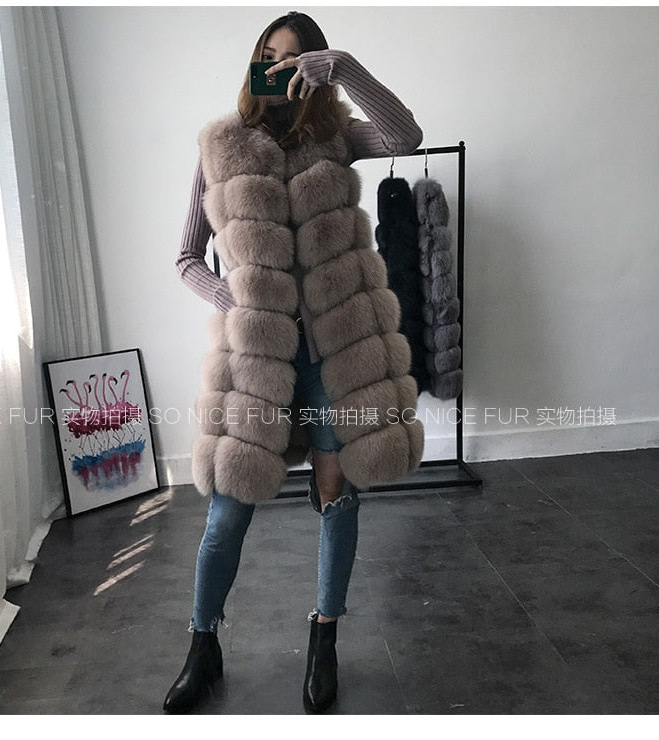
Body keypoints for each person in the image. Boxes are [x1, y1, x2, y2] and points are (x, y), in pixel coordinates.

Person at [165, 11, 424, 714]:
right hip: (255, 359)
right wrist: (234, 298)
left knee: (337, 496)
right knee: (227, 514)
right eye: (269, 56)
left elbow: (405, 136)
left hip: (335, 355)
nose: (278, 70)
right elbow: (185, 257)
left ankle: (324, 636)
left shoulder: (336, 139)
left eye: (293, 60)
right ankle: (202, 646)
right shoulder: (220, 146)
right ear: (254, 61)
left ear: (311, 70)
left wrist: (345, 68)